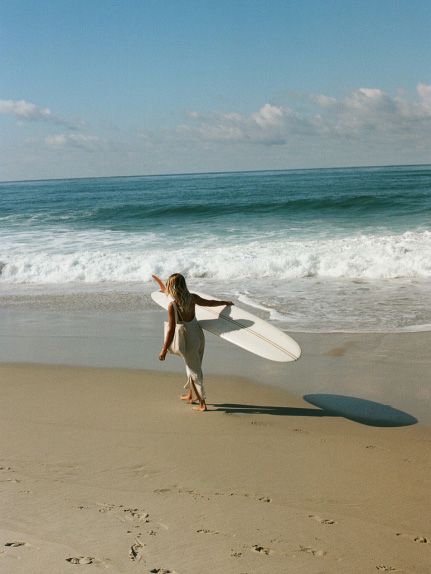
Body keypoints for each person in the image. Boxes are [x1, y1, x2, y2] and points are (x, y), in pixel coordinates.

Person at [152, 273, 233, 412]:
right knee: (193, 365)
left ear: (172, 288)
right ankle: (191, 395)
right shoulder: (192, 298)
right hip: (198, 335)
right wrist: (224, 302)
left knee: (194, 370)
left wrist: (164, 349)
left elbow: (171, 330)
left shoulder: (173, 305)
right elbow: (209, 303)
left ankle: (202, 403)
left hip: (187, 339)